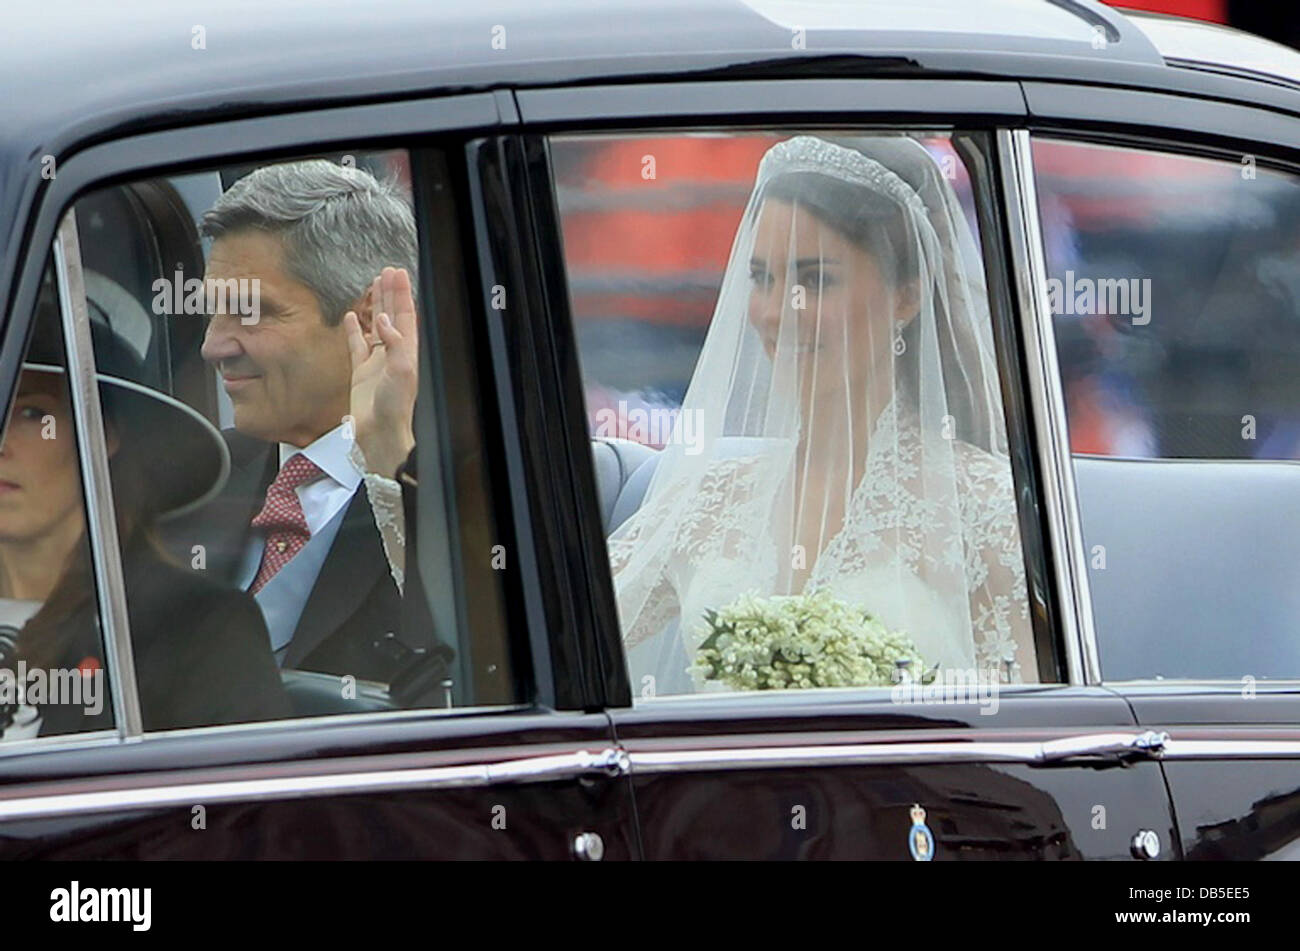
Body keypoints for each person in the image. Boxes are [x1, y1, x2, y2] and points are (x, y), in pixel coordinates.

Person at [608, 134, 1036, 695]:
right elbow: (558, 637)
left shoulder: (982, 507)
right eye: (762, 279)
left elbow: (1023, 721)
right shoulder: (709, 499)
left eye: (814, 280)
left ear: (906, 297)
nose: (777, 313)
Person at [163, 159, 443, 686]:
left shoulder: (465, 493)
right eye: (212, 313)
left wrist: (389, 464)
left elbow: (470, 678)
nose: (212, 346)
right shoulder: (193, 479)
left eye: (250, 313)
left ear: (366, 320)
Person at [0, 293, 289, 738]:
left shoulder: (197, 628)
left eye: (32, 413)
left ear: (103, 436)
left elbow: (246, 804)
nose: (2, 441)